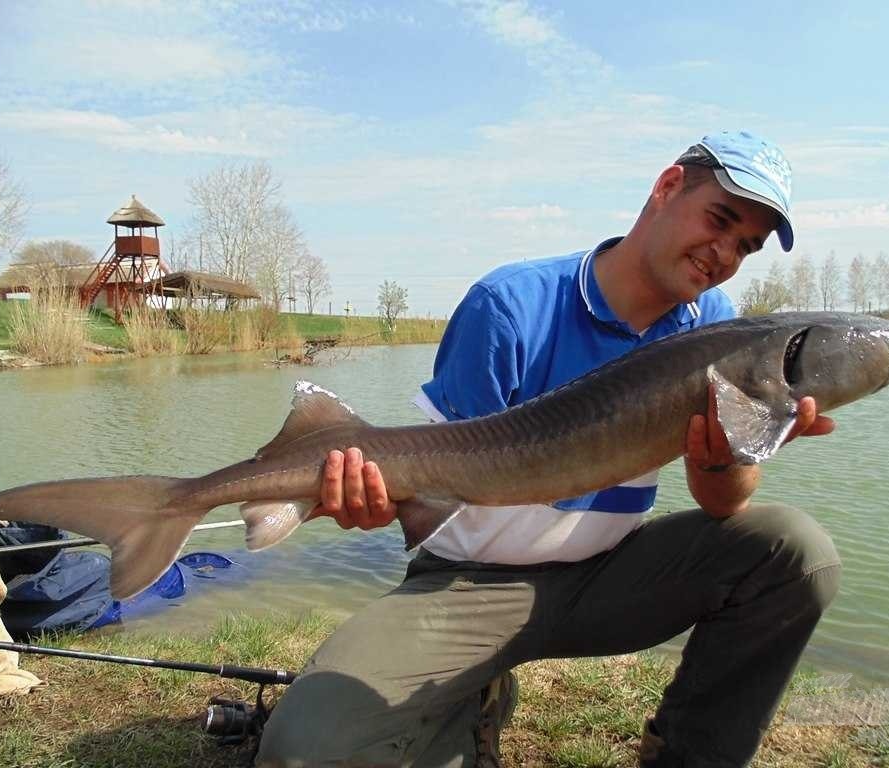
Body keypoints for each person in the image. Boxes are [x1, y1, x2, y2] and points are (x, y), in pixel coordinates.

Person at [256, 131, 841, 768]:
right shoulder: (508, 305)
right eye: (719, 220)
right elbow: (440, 484)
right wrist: (371, 499)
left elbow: (722, 503)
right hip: (467, 585)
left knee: (793, 551)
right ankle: (474, 692)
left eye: (744, 247)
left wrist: (726, 451)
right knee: (304, 755)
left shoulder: (717, 325)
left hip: (608, 579)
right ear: (668, 187)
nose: (723, 254)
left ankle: (685, 755)